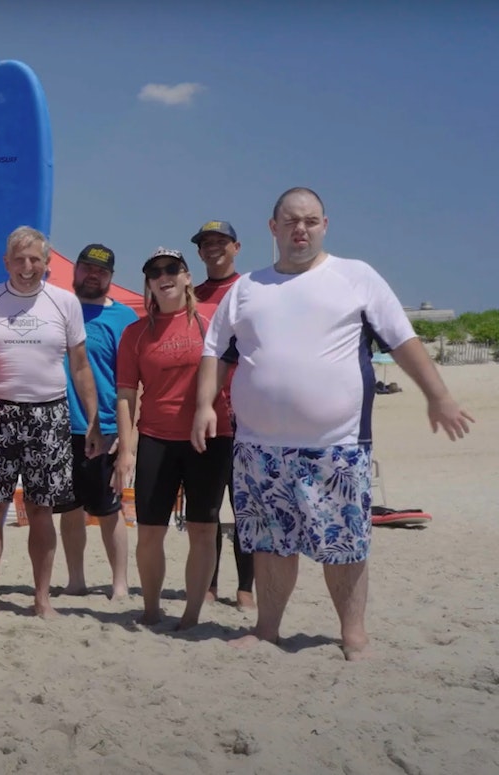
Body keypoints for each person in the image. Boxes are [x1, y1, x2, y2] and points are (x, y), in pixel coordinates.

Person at [194, 188, 473, 660]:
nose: (300, 229)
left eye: (311, 221)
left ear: (325, 225)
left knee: (344, 545)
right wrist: (204, 405)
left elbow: (401, 339)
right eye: (291, 221)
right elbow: (216, 352)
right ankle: (267, 629)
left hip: (337, 446)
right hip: (258, 447)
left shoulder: (355, 277)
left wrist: (438, 396)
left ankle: (353, 634)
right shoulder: (247, 288)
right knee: (269, 543)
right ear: (273, 227)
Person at [0, 226, 101, 618]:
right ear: (6, 262)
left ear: (46, 263)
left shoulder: (65, 302)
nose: (27, 267)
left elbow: (80, 365)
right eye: (19, 260)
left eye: (35, 260)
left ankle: (41, 597)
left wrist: (94, 419)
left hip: (49, 413)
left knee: (42, 509)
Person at [113, 248, 231, 629]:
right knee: (149, 532)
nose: (163, 276)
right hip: (156, 438)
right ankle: (150, 609)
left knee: (202, 528)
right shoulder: (135, 333)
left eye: (171, 269)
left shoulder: (211, 322)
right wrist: (126, 451)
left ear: (186, 277)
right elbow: (127, 394)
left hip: (209, 437)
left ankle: (192, 614)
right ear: (147, 283)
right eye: (154, 272)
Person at [56, 244, 137, 600]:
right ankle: (76, 580)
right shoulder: (56, 306)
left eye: (101, 271)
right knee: (69, 510)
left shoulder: (123, 319)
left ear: (110, 278)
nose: (93, 275)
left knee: (109, 509)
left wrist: (125, 436)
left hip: (102, 429)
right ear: (76, 269)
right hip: (57, 426)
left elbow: (135, 385)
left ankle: (120, 583)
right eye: (87, 268)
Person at [190, 220, 254, 610]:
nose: (213, 248)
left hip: (247, 415)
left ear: (236, 247)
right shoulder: (191, 296)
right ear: (199, 252)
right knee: (206, 506)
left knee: (245, 505)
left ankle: (246, 587)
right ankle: (209, 583)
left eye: (220, 242)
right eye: (206, 243)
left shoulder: (251, 291)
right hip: (207, 416)